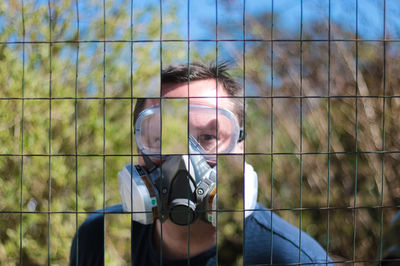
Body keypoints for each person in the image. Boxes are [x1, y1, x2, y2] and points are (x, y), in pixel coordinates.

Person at [70, 62, 332, 265]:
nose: (183, 157)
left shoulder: (292, 258)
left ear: (241, 146)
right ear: (139, 148)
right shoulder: (97, 239)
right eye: (161, 138)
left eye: (207, 137)